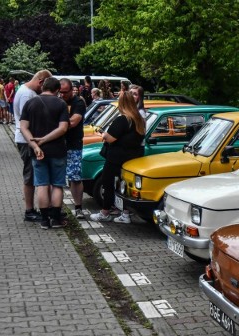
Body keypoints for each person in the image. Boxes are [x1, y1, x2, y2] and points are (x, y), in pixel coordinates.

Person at [20, 77, 70, 229]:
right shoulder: (61, 104)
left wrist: (35, 145)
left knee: (41, 185)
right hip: (57, 150)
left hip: (38, 152)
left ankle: (44, 220)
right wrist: (44, 140)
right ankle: (55, 219)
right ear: (57, 90)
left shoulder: (30, 103)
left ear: (43, 88)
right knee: (57, 185)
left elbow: (23, 127)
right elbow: (63, 129)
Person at [90, 91, 145, 223]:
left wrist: (104, 135)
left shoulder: (123, 119)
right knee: (125, 186)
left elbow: (109, 138)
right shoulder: (139, 119)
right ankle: (125, 213)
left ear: (121, 103)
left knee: (107, 182)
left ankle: (105, 212)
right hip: (132, 157)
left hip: (116, 157)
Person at [14, 69, 53, 222]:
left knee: (32, 174)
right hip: (27, 140)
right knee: (30, 175)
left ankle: (33, 209)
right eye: (44, 87)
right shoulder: (27, 95)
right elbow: (27, 123)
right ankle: (29, 210)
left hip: (28, 139)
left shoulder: (26, 91)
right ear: (41, 82)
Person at [60, 78, 87, 219]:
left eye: (65, 92)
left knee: (75, 177)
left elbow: (74, 121)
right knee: (58, 178)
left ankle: (78, 208)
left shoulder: (78, 102)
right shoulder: (57, 101)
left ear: (72, 90)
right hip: (58, 145)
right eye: (60, 92)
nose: (62, 95)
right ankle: (57, 208)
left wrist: (57, 127)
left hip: (74, 144)